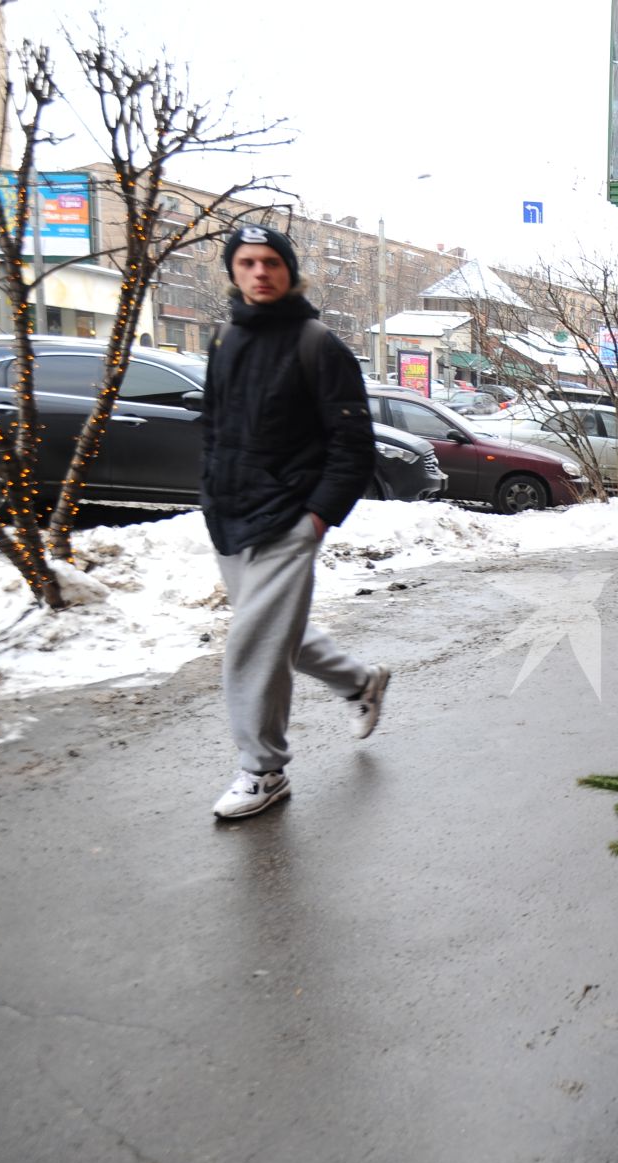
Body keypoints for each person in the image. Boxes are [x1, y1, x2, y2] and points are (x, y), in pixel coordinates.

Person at [201, 224, 389, 820]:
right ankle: (360, 682)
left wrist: (317, 518)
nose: (260, 273)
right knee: (278, 634)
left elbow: (353, 443)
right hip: (229, 514)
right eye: (248, 262)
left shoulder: (318, 345)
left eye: (271, 263)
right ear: (234, 271)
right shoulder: (224, 337)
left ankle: (264, 771)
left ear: (289, 271)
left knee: (253, 643)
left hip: (287, 518)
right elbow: (215, 423)